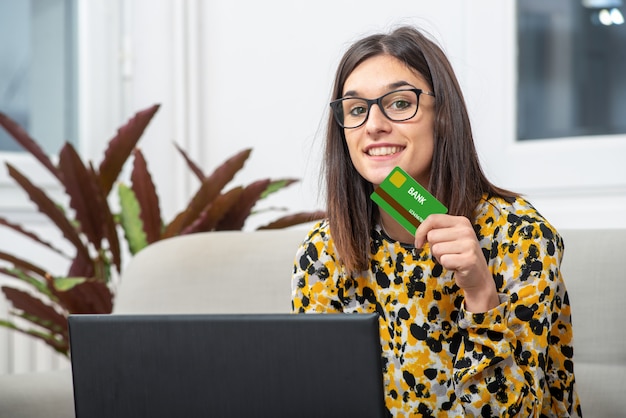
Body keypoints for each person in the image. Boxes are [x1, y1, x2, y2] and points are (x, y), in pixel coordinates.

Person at [291, 26, 581, 417]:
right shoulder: (322, 252)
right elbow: (319, 398)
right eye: (357, 109)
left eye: (397, 103)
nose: (374, 124)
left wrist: (480, 293)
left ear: (442, 115)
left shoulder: (521, 237)